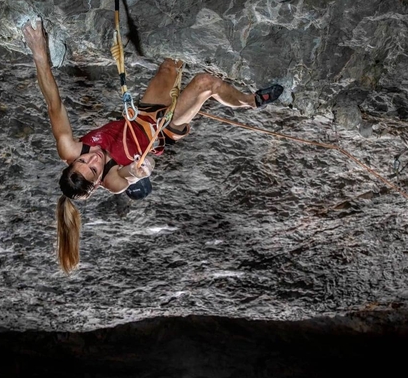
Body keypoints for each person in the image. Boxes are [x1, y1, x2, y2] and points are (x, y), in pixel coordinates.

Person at [22, 18, 284, 273]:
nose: (93, 160)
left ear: (72, 162)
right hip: (163, 129)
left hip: (144, 115)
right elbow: (130, 173)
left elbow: (53, 103)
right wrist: (141, 170)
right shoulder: (112, 183)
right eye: (93, 169)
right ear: (96, 184)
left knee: (172, 63)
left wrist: (39, 53)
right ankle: (251, 101)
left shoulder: (69, 148)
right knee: (205, 83)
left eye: (83, 161)